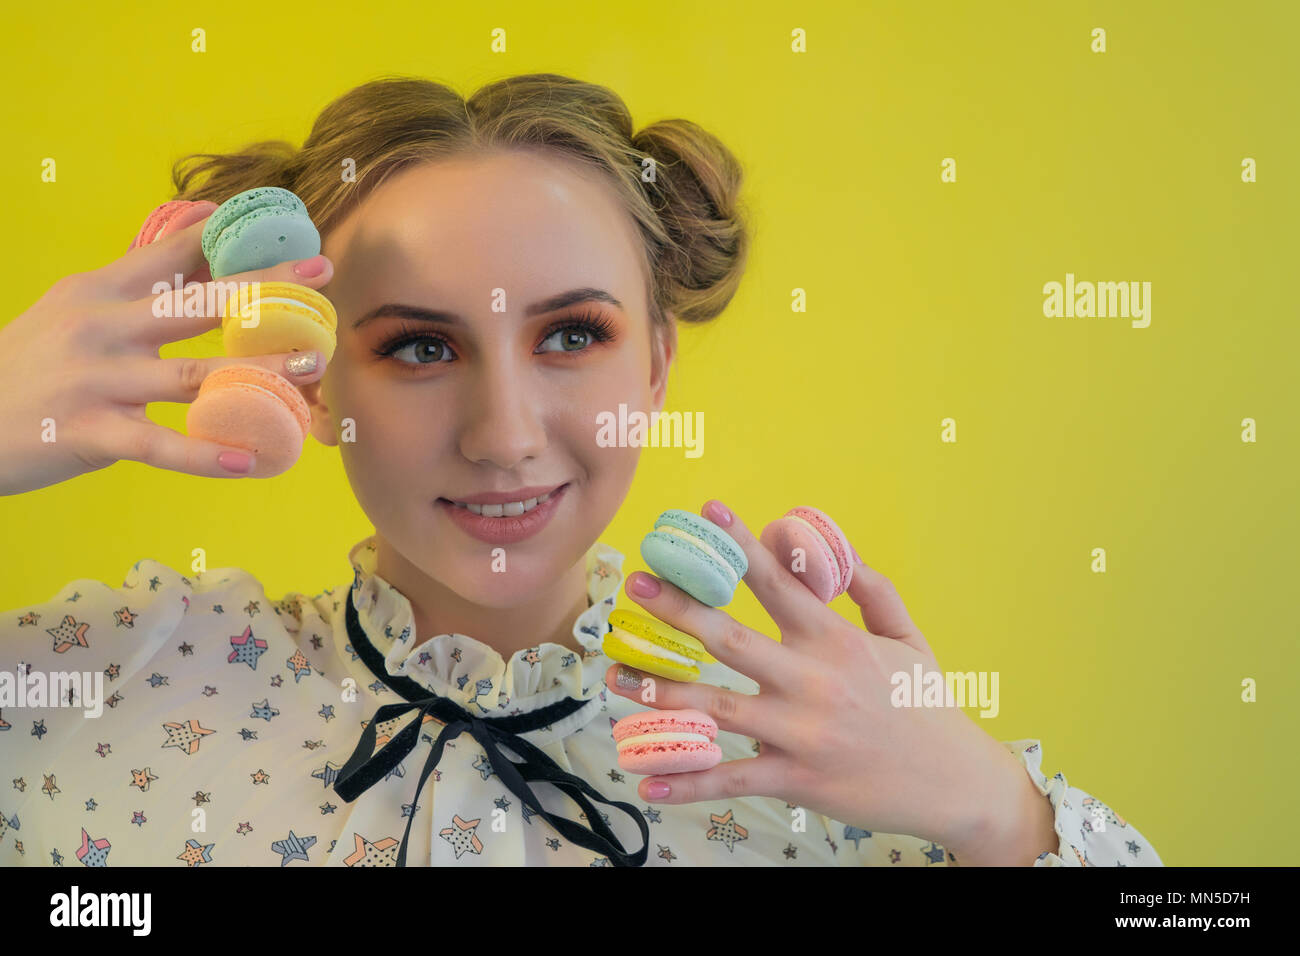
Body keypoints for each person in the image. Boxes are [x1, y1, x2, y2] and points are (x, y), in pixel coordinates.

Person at [0, 73, 1161, 867]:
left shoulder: (815, 747)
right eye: (417, 345)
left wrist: (994, 806)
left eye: (570, 335)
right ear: (311, 381)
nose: (503, 433)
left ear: (655, 360)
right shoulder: (112, 681)